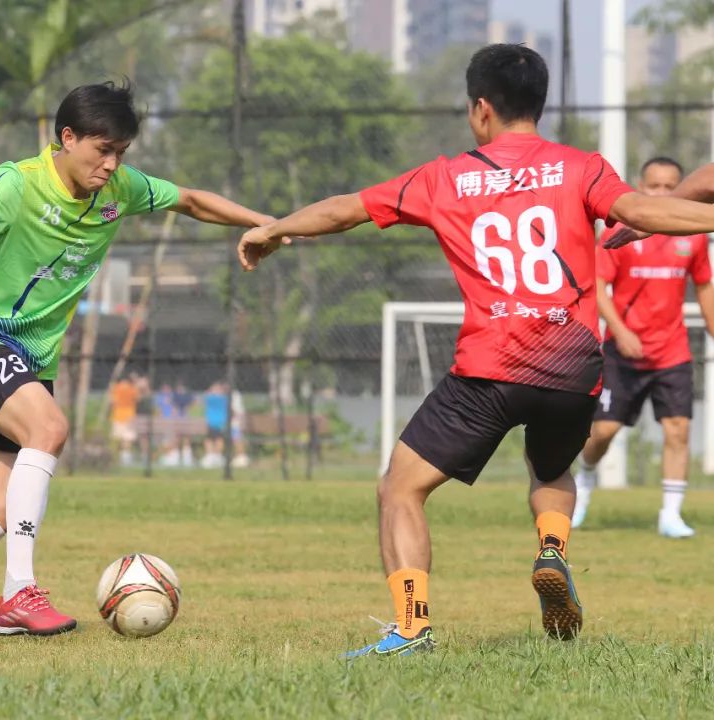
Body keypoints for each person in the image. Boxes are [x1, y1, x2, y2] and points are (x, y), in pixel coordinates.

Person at [239, 44, 714, 657]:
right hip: (572, 365)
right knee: (550, 469)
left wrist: (274, 228)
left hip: (492, 366)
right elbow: (642, 210)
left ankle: (411, 627)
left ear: (480, 109)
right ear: (538, 105)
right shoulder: (580, 167)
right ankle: (552, 551)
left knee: (401, 489)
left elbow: (343, 211)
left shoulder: (443, 177)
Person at [0, 81, 281, 643]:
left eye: (121, 151)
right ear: (66, 138)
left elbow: (190, 199)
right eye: (102, 149)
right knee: (49, 427)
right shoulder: (16, 183)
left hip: (31, 361)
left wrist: (267, 224)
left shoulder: (120, 186)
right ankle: (19, 594)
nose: (112, 163)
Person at [573, 157, 714, 538]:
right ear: (640, 186)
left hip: (673, 352)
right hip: (623, 353)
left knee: (678, 429)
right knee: (602, 433)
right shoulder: (622, 232)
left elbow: (703, 285)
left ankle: (671, 515)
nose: (663, 194)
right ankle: (584, 481)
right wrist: (619, 330)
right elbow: (596, 287)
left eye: (672, 187)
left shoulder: (693, 235)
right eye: (655, 187)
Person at [110, 374, 140, 466]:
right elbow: (137, 399)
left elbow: (113, 401)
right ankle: (125, 459)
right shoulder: (132, 388)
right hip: (129, 416)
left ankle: (117, 459)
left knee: (118, 439)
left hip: (118, 416)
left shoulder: (116, 388)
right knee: (127, 440)